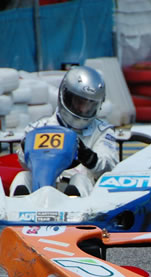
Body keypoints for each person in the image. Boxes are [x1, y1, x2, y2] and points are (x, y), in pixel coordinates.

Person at [10, 65, 119, 197]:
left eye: (89, 105)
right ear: (65, 96)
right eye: (79, 102)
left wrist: (89, 158)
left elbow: (109, 167)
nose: (82, 109)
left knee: (79, 179)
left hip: (81, 192)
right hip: (42, 187)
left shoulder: (102, 132)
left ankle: (75, 206)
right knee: (23, 177)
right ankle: (19, 206)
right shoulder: (39, 128)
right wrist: (26, 149)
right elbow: (24, 162)